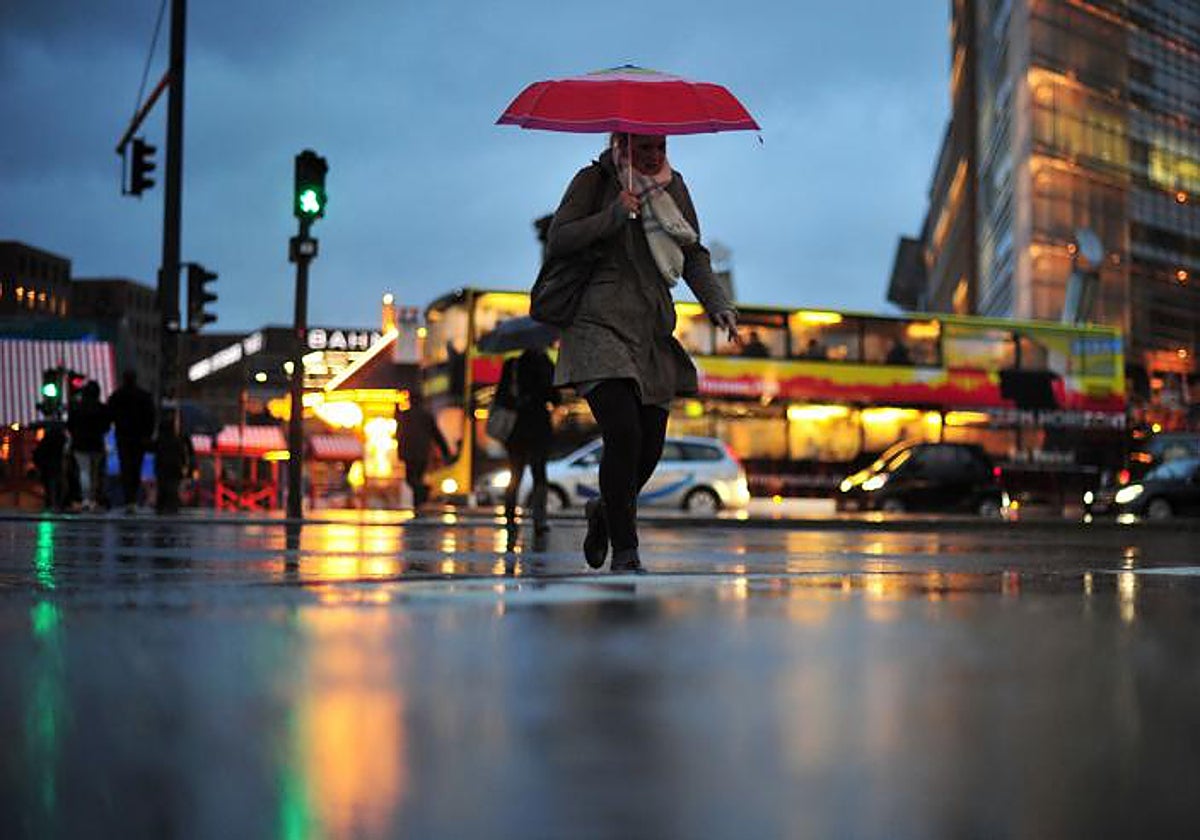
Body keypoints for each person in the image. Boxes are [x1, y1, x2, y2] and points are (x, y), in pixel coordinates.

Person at [546, 132, 738, 573]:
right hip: (597, 323)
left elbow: (691, 252)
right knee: (624, 432)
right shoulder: (592, 181)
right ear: (621, 144)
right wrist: (613, 215)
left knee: (650, 443)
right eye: (643, 148)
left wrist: (719, 305)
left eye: (660, 148)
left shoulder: (675, 187)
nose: (653, 156)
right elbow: (561, 238)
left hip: (650, 328)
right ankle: (626, 550)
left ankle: (603, 510)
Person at [497, 347, 558, 536]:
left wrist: (519, 401)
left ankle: (510, 518)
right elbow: (555, 397)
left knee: (515, 474)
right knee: (539, 474)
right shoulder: (545, 364)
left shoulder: (512, 365)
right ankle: (539, 520)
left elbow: (501, 397)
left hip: (516, 429)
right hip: (539, 427)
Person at [395, 389, 453, 510]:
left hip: (409, 454)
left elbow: (399, 434)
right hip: (422, 453)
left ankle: (420, 498)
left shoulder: (406, 415)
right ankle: (420, 501)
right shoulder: (426, 416)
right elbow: (437, 435)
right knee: (417, 478)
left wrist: (400, 452)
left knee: (411, 479)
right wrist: (446, 451)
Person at [107, 369, 156, 512]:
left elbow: (110, 414)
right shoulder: (144, 396)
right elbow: (151, 417)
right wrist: (148, 434)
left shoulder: (117, 396)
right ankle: (132, 498)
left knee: (126, 468)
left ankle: (129, 498)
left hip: (123, 437)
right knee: (136, 467)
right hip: (139, 438)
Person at [67, 380, 111, 511]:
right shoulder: (102, 408)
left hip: (80, 443)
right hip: (97, 443)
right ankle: (94, 500)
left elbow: (70, 425)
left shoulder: (76, 407)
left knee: (83, 471)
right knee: (95, 473)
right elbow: (107, 426)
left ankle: (85, 499)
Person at [154, 412, 194, 514]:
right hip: (175, 465)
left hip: (162, 464)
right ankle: (171, 505)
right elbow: (186, 453)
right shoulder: (180, 438)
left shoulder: (161, 438)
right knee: (172, 486)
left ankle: (162, 505)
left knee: (163, 485)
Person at [33, 422, 68, 511]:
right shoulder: (63, 439)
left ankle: (51, 502)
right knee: (58, 483)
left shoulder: (46, 440)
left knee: (50, 484)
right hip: (58, 464)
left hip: (47, 465)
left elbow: (39, 453)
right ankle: (58, 503)